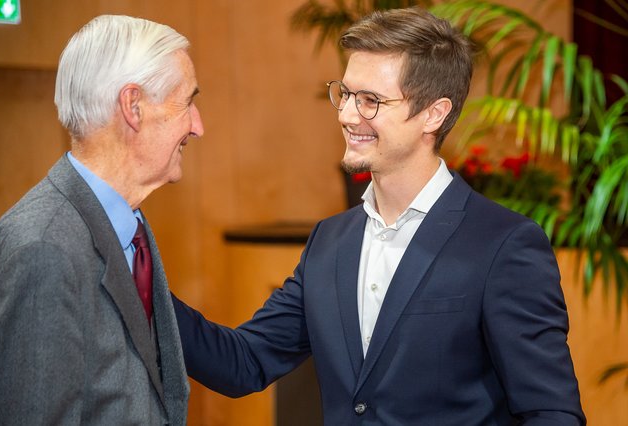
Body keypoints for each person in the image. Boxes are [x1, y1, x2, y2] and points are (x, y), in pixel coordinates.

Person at [172, 6, 585, 425]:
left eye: (371, 101)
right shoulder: (329, 241)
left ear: (434, 114)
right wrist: (139, 278)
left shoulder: (504, 243)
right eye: (346, 93)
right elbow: (245, 362)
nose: (347, 115)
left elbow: (551, 412)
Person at [0, 15, 202, 425]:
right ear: (133, 106)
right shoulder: (42, 250)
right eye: (187, 102)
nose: (198, 125)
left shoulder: (128, 225)